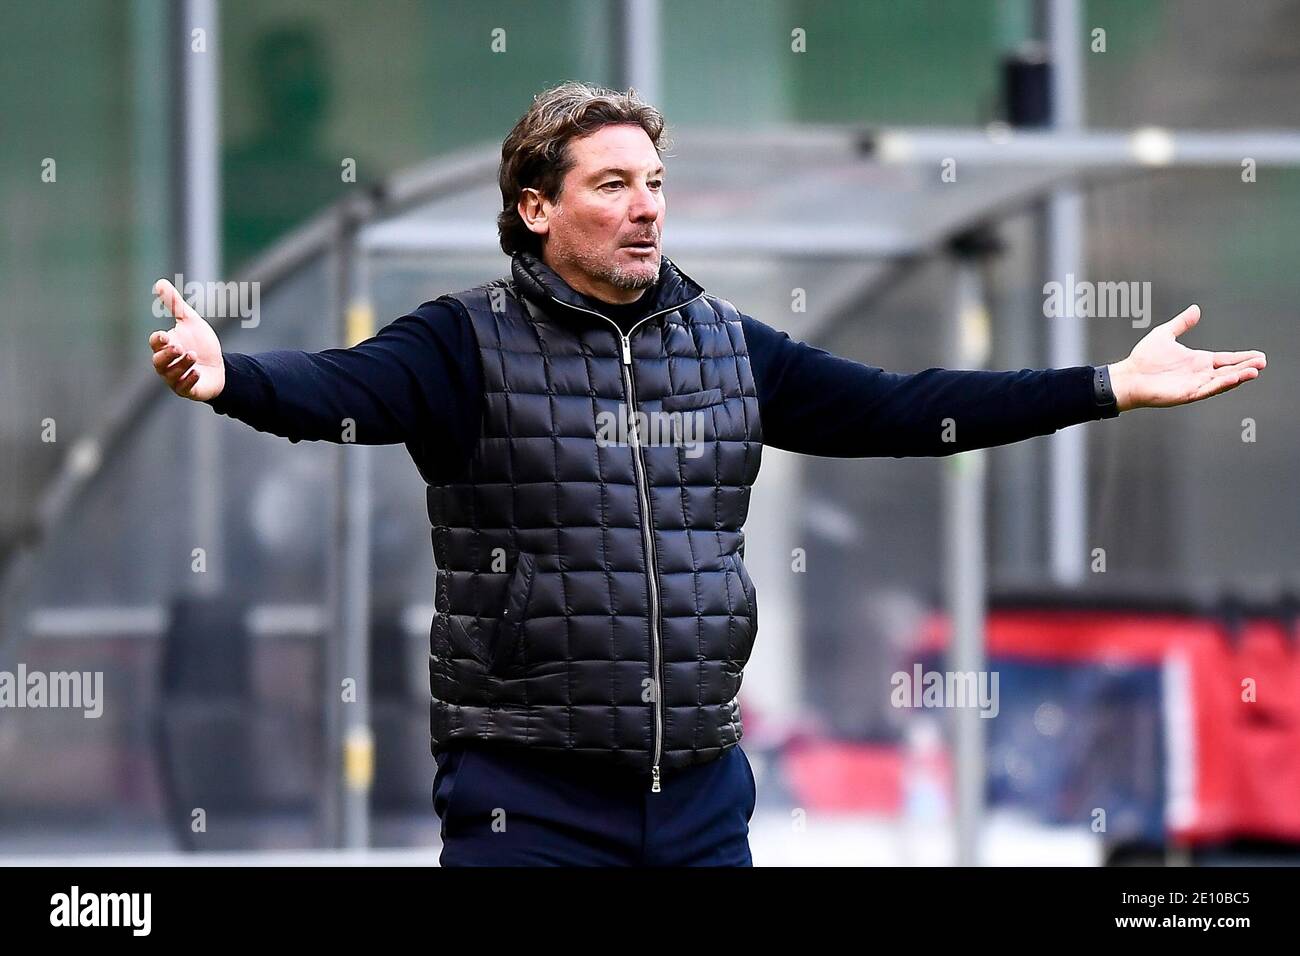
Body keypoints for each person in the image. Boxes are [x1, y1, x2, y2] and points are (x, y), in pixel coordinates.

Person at [147, 82, 1267, 866]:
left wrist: (1106, 384)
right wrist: (227, 373)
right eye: (611, 183)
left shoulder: (727, 343)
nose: (645, 205)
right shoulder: (462, 342)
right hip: (525, 800)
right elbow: (339, 388)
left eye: (655, 181)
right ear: (536, 209)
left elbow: (905, 406)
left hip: (696, 797)